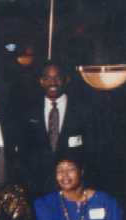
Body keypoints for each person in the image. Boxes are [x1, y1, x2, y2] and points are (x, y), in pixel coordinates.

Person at [23, 61, 103, 198]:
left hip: (74, 189)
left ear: (66, 80)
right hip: (38, 190)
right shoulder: (29, 110)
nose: (52, 83)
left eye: (57, 78)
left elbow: (92, 151)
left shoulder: (83, 110)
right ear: (41, 81)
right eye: (47, 78)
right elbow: (24, 153)